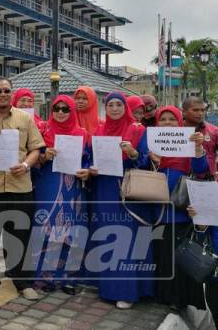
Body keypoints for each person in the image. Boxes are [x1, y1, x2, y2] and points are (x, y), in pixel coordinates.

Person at [0, 78, 46, 300]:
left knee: (20, 234)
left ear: (11, 94)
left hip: (20, 185)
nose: (3, 94)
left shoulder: (25, 118)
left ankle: (23, 281)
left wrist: (25, 165)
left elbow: (36, 149)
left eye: (6, 91)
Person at [88, 91, 154, 309]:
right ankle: (108, 289)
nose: (114, 108)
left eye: (119, 104)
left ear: (125, 107)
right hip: (105, 188)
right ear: (105, 108)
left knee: (127, 238)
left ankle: (128, 291)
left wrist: (133, 153)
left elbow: (147, 161)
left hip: (128, 189)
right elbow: (90, 157)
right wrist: (92, 169)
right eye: (110, 105)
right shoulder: (99, 130)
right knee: (108, 237)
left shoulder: (138, 130)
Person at [149, 105, 208, 311]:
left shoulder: (189, 142)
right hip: (157, 211)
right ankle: (162, 295)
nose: (167, 123)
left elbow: (201, 171)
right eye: (162, 119)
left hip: (181, 210)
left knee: (178, 255)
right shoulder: (152, 144)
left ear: (179, 121)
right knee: (162, 253)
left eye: (171, 119)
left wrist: (199, 150)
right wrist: (151, 160)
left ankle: (179, 298)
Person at [33, 95, 90, 294]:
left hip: (71, 189)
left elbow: (89, 161)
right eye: (57, 108)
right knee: (46, 228)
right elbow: (32, 158)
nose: (60, 112)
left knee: (70, 231)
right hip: (47, 185)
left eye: (66, 109)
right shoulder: (43, 131)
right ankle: (44, 278)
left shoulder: (82, 133)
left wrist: (87, 170)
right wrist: (43, 156)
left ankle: (68, 279)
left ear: (72, 111)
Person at [182, 96, 218, 180]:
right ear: (184, 112)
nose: (200, 113)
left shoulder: (214, 131)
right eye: (195, 110)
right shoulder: (176, 131)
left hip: (208, 180)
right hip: (181, 180)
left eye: (202, 110)